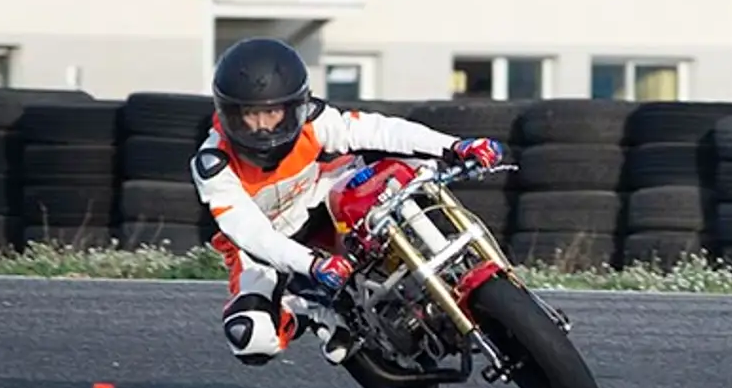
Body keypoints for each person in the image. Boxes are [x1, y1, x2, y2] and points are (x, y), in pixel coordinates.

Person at [191, 37, 506, 367]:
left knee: (407, 168)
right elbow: (252, 233)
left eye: (272, 112)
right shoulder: (213, 164)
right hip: (267, 247)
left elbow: (377, 130)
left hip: (325, 197)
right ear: (228, 114)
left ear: (295, 106)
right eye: (249, 115)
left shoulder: (314, 121)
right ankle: (309, 311)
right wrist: (311, 264)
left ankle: (441, 253)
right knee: (250, 337)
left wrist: (456, 146)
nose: (262, 127)